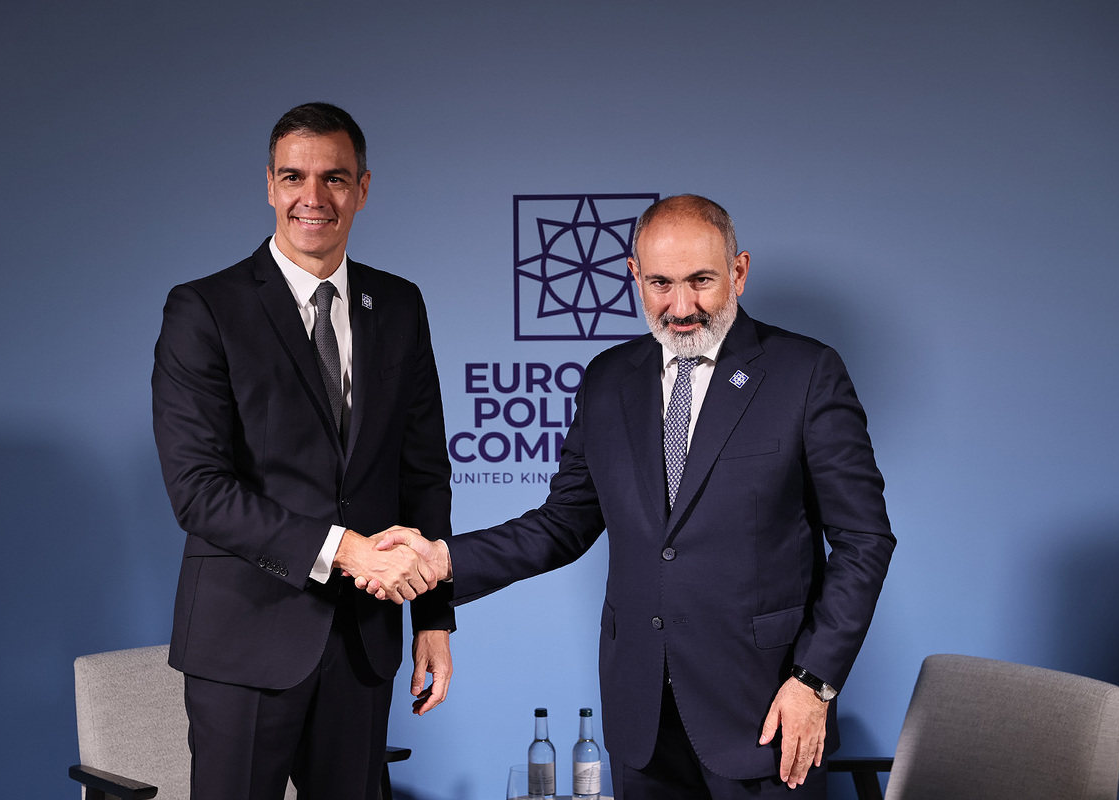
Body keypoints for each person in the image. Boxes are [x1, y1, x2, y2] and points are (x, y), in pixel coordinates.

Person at [366, 195, 895, 799]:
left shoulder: (806, 373)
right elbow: (563, 523)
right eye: (661, 284)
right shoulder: (608, 379)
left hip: (768, 708)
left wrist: (814, 682)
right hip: (641, 717)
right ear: (634, 276)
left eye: (702, 281)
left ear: (739, 271)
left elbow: (864, 541)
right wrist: (442, 560)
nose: (681, 307)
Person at [151, 102, 454, 800]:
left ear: (363, 189)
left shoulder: (400, 306)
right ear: (269, 185)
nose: (312, 197)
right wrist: (345, 550)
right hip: (244, 638)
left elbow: (423, 474)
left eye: (334, 178)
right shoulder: (204, 309)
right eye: (293, 177)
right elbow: (198, 490)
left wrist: (433, 617)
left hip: (364, 640)